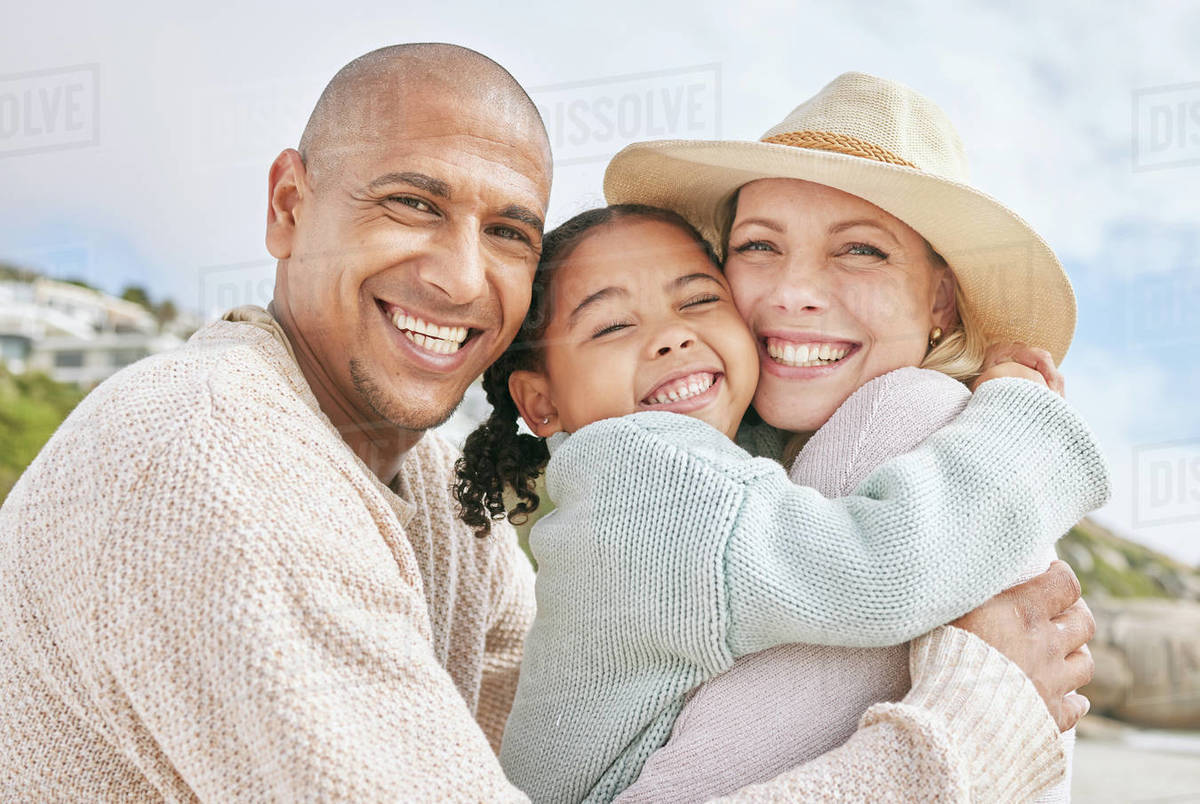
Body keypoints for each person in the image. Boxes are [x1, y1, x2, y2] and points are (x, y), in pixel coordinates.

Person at [0, 45, 1095, 802]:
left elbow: (537, 724)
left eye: (512, 231)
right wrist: (970, 733)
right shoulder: (219, 464)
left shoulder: (433, 495)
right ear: (288, 206)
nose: (459, 275)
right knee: (912, 419)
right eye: (411, 203)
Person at [456, 204, 1107, 803]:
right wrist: (1022, 423)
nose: (671, 338)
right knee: (930, 419)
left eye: (701, 301)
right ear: (539, 403)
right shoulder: (632, 471)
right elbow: (880, 570)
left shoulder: (728, 458)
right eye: (614, 325)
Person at [606, 71, 1085, 803]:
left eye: (860, 250)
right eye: (760, 245)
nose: (794, 289)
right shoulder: (734, 461)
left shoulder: (908, 419)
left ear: (940, 300)